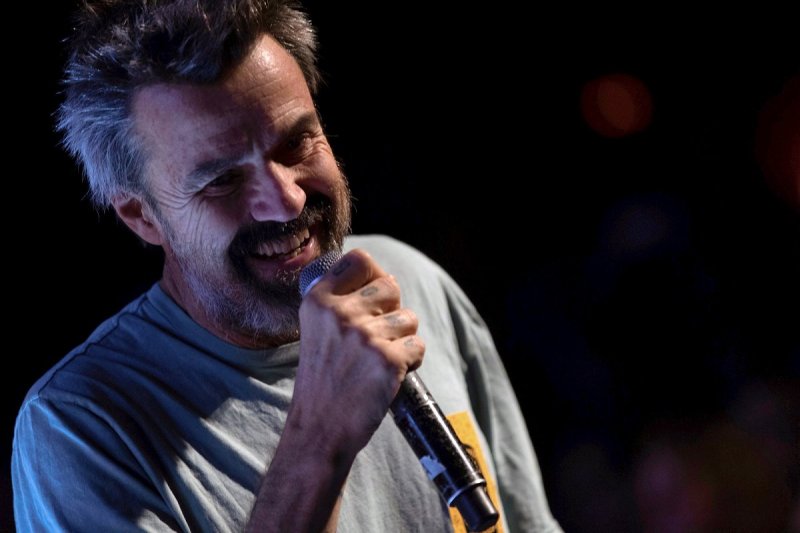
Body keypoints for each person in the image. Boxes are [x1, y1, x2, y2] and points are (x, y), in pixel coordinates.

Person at [11, 1, 561, 531]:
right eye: (223, 180)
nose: (287, 201)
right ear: (141, 216)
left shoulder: (411, 279)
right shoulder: (79, 426)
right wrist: (320, 436)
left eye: (297, 143)